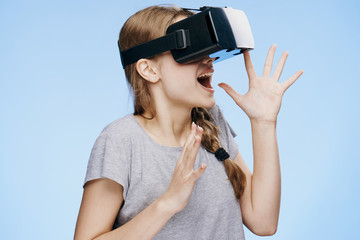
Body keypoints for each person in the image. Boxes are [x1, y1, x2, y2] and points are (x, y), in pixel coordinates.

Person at [74, 5, 303, 240]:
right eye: (190, 49)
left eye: (207, 49)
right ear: (149, 69)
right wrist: (168, 203)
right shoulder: (120, 140)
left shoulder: (211, 122)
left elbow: (264, 222)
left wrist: (263, 122)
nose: (209, 59)